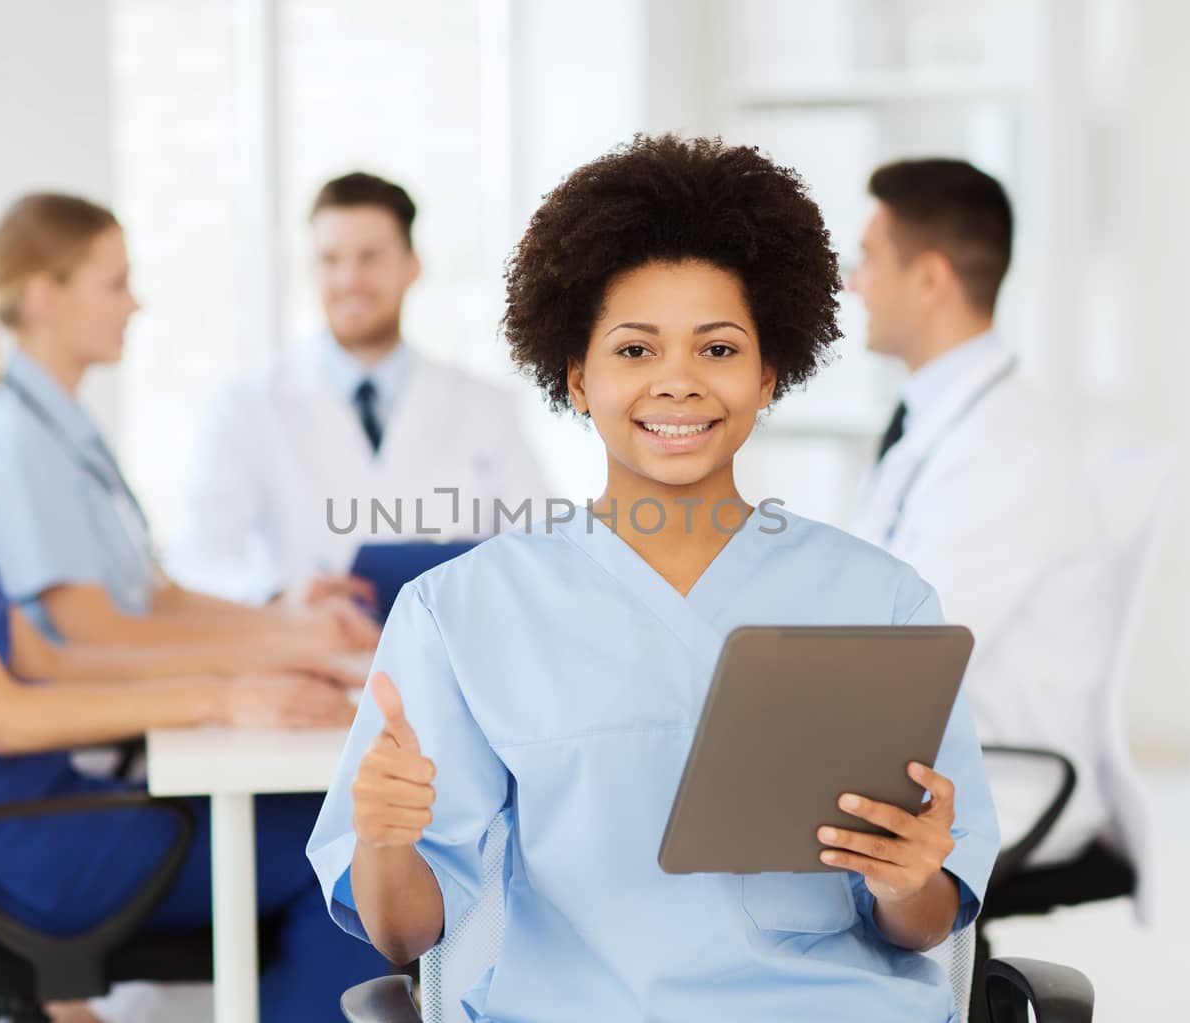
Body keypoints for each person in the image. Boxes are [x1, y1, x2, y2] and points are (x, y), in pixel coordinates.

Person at [306, 136, 999, 1021]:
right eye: (634, 351)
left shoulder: (883, 601)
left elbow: (927, 922)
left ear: (768, 372)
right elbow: (404, 934)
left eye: (718, 349)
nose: (677, 382)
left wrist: (909, 881)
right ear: (576, 375)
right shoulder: (461, 612)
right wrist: (385, 839)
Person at [0, 213, 387, 1021]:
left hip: (30, 822)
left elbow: (48, 661)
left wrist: (243, 671)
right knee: (353, 845)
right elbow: (3, 715)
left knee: (339, 825)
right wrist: (222, 699)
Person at [0, 193, 376, 675]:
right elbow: (96, 631)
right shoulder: (15, 442)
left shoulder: (64, 432)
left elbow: (155, 600)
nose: (135, 303)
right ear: (45, 296)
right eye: (116, 285)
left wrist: (290, 621)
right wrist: (285, 646)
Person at [847, 158, 1119, 866]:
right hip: (937, 761)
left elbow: (907, 651)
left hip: (1003, 781)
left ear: (930, 279)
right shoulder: (943, 419)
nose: (853, 282)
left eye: (870, 259)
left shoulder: (1004, 448)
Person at [171, 172, 550, 604]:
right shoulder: (246, 407)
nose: (349, 279)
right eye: (330, 260)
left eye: (369, 257)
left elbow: (539, 544)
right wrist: (278, 595)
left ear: (412, 266)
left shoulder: (484, 406)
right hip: (308, 656)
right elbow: (199, 559)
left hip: (455, 652)